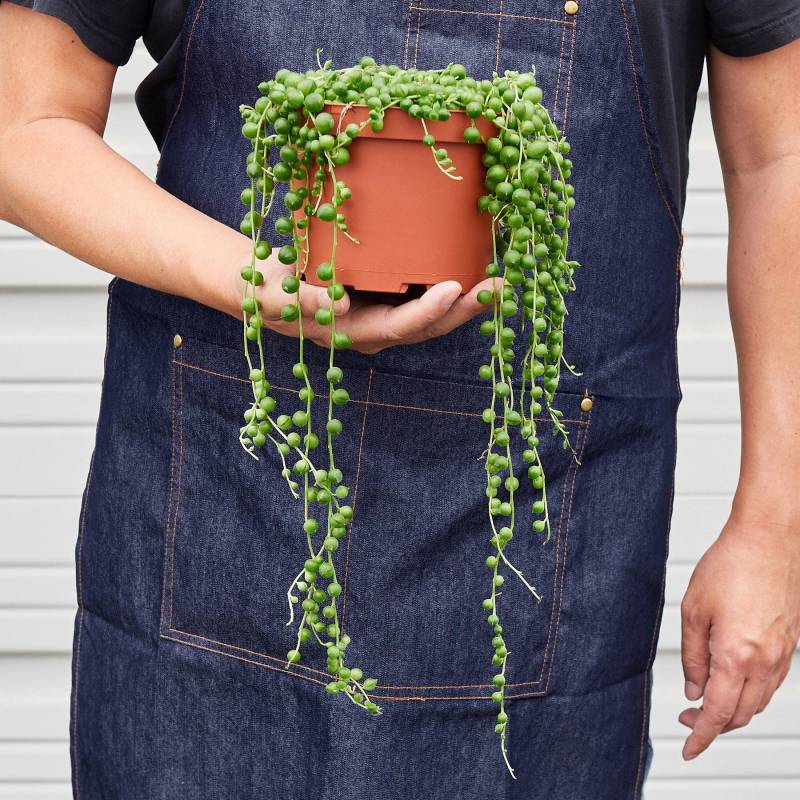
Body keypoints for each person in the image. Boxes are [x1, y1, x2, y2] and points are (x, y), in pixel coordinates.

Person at [1, 1, 799, 797]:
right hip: (221, 507)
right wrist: (256, 283)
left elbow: (780, 157)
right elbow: (22, 125)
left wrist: (774, 525)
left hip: (547, 529)